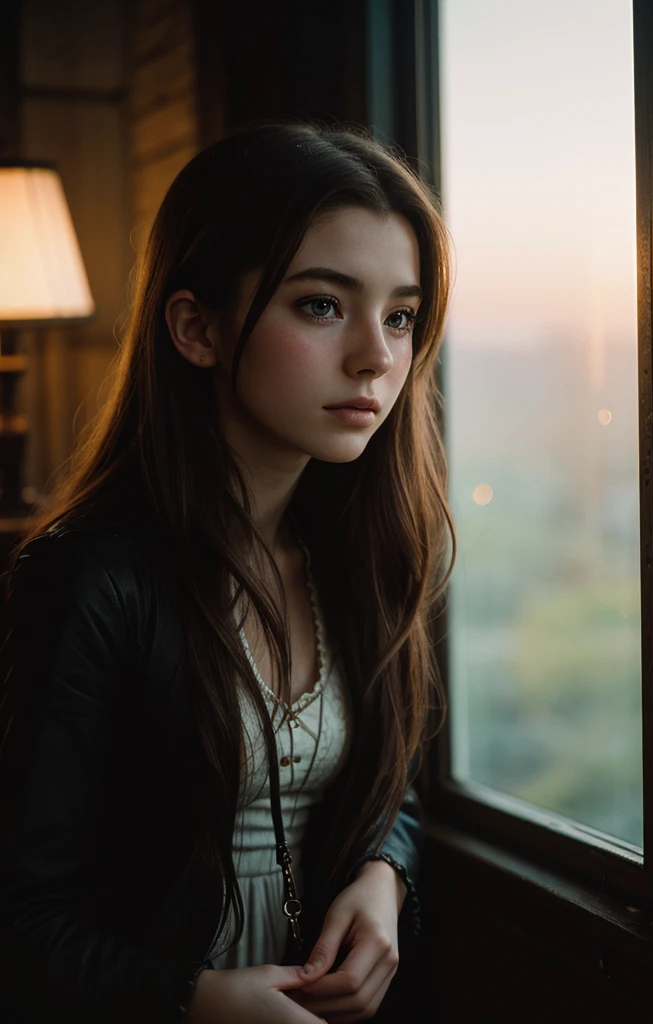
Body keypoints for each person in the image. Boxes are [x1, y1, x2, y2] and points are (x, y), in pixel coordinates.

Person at [0, 118, 456, 1023]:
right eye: (322, 304)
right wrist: (196, 1001)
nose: (377, 356)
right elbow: (22, 927)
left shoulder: (364, 554)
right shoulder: (88, 582)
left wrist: (384, 874)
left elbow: (389, 778)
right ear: (197, 327)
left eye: (400, 316)